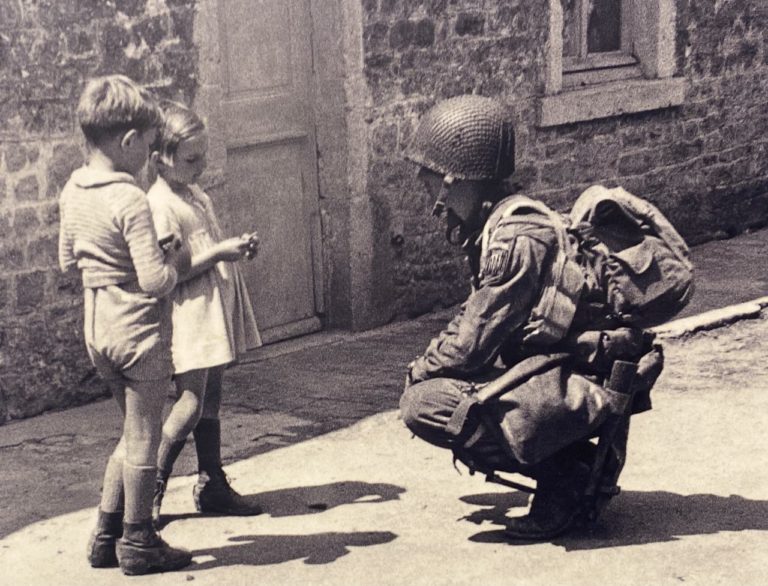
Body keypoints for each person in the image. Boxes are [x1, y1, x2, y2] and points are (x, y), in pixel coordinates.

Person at [398, 95, 663, 541]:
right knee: (446, 389)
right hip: (564, 369)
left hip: (577, 383)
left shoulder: (515, 240)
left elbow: (471, 344)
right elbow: (476, 319)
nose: (432, 204)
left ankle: (566, 477)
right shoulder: (507, 220)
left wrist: (418, 372)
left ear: (453, 181)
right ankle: (564, 465)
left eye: (430, 186)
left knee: (425, 404)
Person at [58, 75, 192, 575]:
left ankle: (105, 533)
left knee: (129, 430)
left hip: (98, 330)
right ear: (130, 141)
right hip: (138, 333)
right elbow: (156, 282)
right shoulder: (131, 198)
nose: (152, 158)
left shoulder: (73, 189)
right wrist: (174, 260)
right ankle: (139, 541)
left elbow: (69, 263)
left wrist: (112, 263)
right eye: (150, 148)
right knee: (145, 437)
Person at [146, 101, 263, 528]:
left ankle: (211, 483)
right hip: (188, 312)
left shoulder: (193, 194)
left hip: (210, 307)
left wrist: (235, 246)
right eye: (191, 159)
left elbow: (204, 245)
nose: (201, 166)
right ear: (161, 160)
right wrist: (219, 253)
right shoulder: (159, 204)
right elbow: (173, 272)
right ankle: (149, 489)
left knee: (211, 397)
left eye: (204, 156)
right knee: (190, 402)